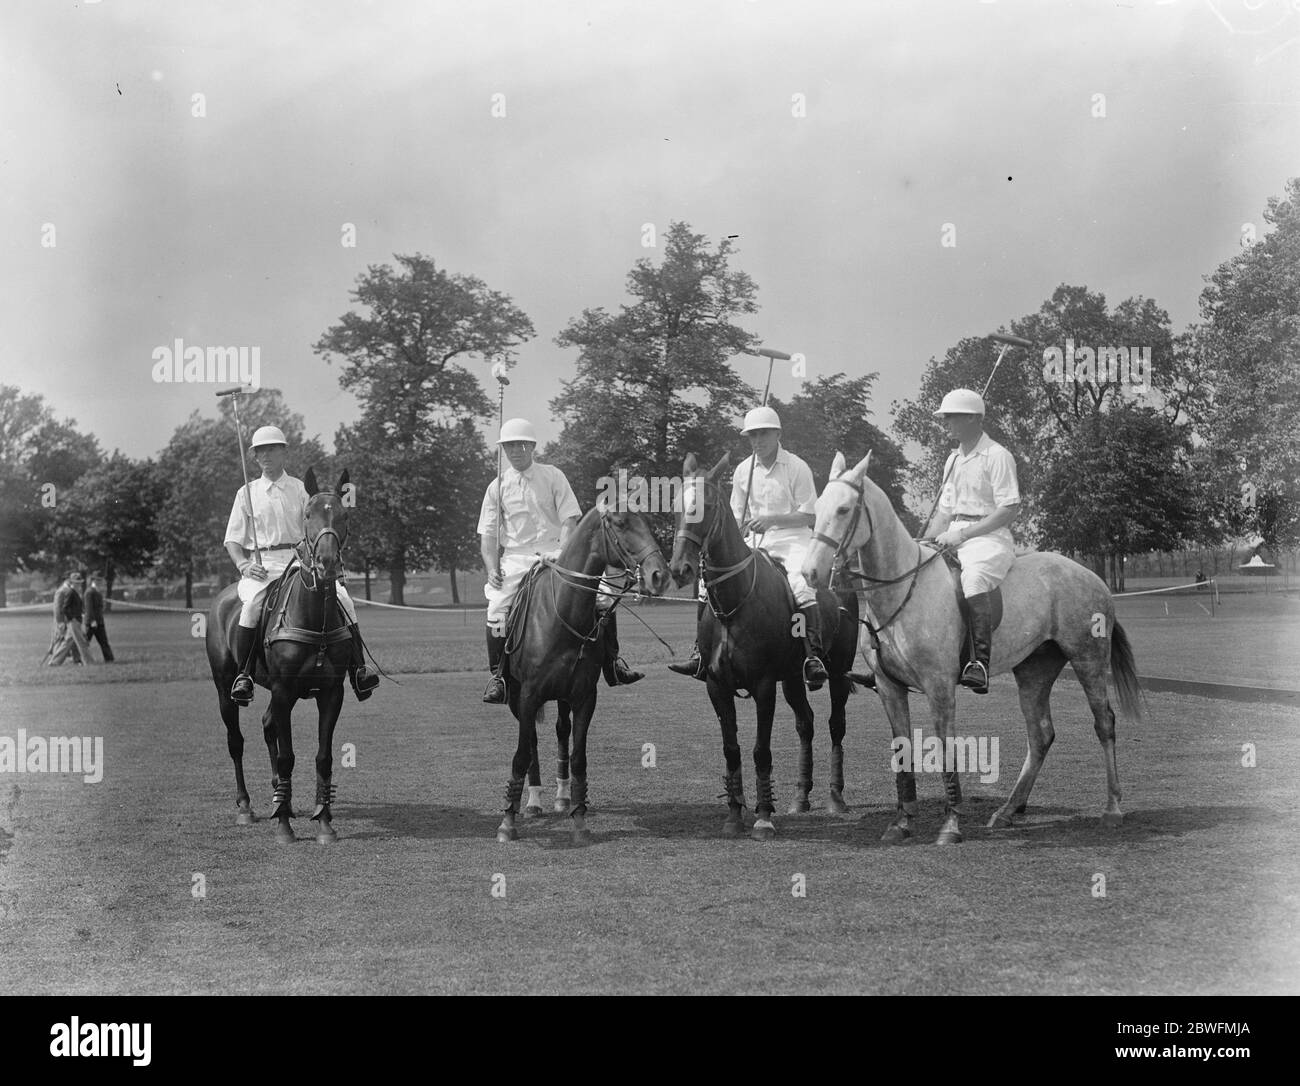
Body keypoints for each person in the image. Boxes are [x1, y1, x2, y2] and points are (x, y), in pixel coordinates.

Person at [477, 417, 643, 705]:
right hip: (516, 559)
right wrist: (492, 569)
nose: (513, 451)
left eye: (519, 445)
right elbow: (488, 536)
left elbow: (570, 519)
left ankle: (613, 664)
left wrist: (564, 551)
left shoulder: (553, 476)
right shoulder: (497, 487)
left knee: (602, 597)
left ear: (532, 447)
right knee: (496, 609)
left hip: (556, 551)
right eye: (508, 446)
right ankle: (499, 676)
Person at [668, 406, 830, 689]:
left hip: (794, 538)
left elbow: (810, 515)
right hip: (754, 541)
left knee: (800, 585)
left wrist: (771, 520)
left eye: (763, 433)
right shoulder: (743, 471)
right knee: (708, 583)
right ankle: (700, 651)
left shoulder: (796, 467)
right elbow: (735, 513)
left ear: (777, 433)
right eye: (752, 435)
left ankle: (811, 656)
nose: (757, 440)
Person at [224, 425, 378, 706]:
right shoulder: (246, 493)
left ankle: (358, 670)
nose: (265, 455)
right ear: (255, 457)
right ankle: (245, 674)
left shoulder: (301, 490)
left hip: (300, 562)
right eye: (260, 451)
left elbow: (320, 526)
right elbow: (232, 540)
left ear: (284, 452)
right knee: (251, 607)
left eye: (271, 449)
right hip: (263, 567)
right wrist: (244, 564)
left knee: (345, 599)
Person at [923, 389, 1021, 694]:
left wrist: (963, 533)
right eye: (945, 417)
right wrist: (924, 543)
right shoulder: (952, 460)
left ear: (973, 418)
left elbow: (1009, 509)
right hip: (951, 534)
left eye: (951, 416)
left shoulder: (997, 456)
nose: (946, 423)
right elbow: (944, 511)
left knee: (974, 579)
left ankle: (979, 664)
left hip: (989, 539)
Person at [43, 571, 94, 667]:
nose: (79, 584)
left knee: (68, 642)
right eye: (76, 582)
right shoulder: (63, 591)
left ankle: (56, 661)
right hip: (67, 621)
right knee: (77, 641)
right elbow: (58, 608)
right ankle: (88, 661)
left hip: (73, 620)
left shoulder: (74, 591)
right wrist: (61, 622)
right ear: (69, 580)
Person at [83, 570, 114, 663]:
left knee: (104, 641)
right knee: (85, 642)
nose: (100, 582)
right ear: (94, 580)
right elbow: (89, 608)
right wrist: (92, 620)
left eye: (101, 580)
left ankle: (109, 658)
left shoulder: (97, 591)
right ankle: (80, 657)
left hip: (99, 621)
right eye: (98, 580)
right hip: (91, 622)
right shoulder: (89, 592)